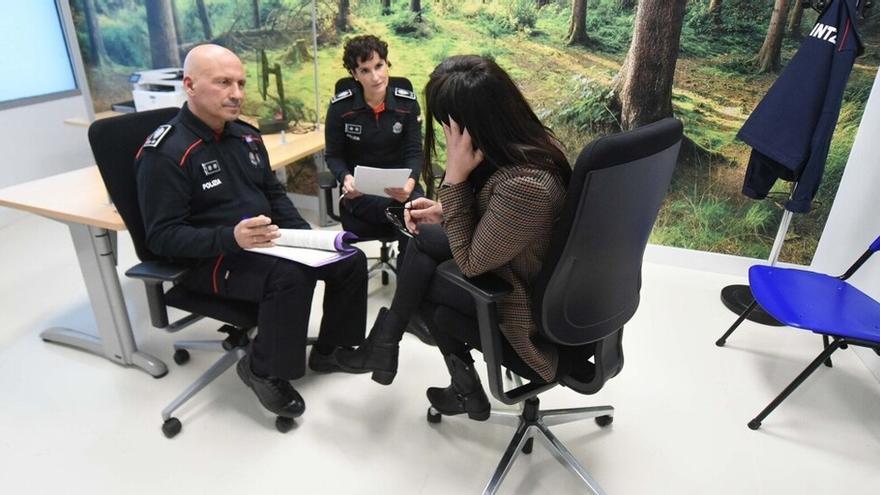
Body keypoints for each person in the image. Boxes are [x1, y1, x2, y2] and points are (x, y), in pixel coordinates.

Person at [336, 55, 581, 420]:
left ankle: (396, 350)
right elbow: (500, 219)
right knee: (421, 243)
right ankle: (396, 350)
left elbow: (470, 261)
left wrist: (454, 178)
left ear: (468, 127)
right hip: (527, 269)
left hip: (528, 313)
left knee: (425, 289)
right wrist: (443, 210)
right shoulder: (527, 147)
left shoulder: (527, 185)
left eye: (447, 126)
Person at [135, 44, 367, 420]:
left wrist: (307, 239)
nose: (237, 94)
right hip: (209, 258)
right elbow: (161, 239)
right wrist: (231, 237)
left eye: (241, 83)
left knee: (348, 258)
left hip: (260, 242)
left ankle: (331, 350)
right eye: (224, 83)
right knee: (291, 275)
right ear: (190, 85)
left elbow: (273, 194)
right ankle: (263, 370)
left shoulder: (245, 135)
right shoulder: (166, 153)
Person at [324, 34, 423, 258]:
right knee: (410, 217)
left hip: (402, 188)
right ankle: (409, 287)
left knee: (418, 220)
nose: (375, 77)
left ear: (387, 64)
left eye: (379, 66)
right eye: (365, 70)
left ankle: (408, 283)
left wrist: (409, 184)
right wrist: (345, 178)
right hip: (361, 193)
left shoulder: (406, 103)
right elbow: (334, 155)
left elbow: (414, 153)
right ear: (354, 74)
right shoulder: (341, 108)